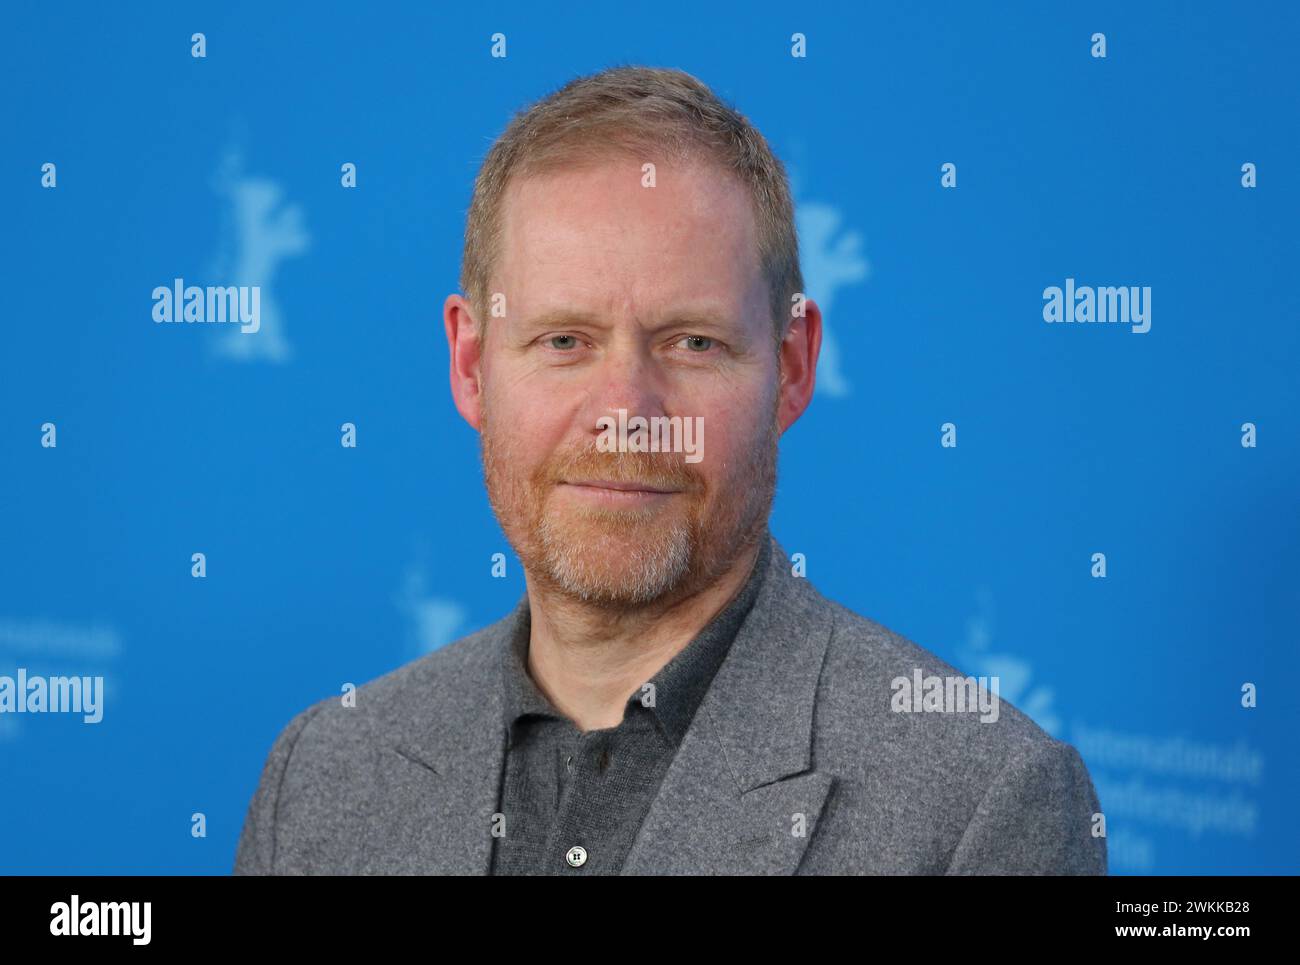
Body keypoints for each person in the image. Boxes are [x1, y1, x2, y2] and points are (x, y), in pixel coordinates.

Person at [234, 65, 1106, 875]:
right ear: (470, 366)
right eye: (564, 340)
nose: (625, 411)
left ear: (793, 367)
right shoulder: (319, 777)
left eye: (692, 342)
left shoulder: (982, 807)